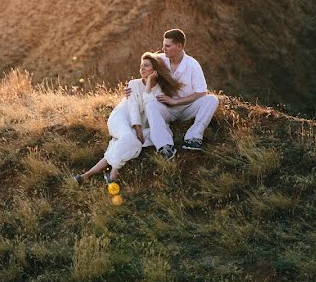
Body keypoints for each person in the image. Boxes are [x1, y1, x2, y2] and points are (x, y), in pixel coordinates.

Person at [75, 52, 183, 184]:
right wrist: (137, 129)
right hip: (122, 117)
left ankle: (87, 175)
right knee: (130, 138)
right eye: (141, 66)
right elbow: (132, 108)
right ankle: (114, 171)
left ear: (155, 70)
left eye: (146, 66)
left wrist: (149, 85)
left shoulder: (160, 90)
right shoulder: (133, 83)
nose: (142, 69)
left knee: (128, 143)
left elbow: (149, 105)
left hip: (141, 122)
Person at [127, 28, 219, 159]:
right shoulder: (160, 59)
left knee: (212, 100)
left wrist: (176, 101)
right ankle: (164, 146)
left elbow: (201, 92)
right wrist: (132, 86)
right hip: (166, 108)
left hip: (187, 107)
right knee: (151, 105)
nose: (163, 48)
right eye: (164, 45)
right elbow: (145, 69)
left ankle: (193, 137)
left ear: (179, 46)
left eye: (167, 46)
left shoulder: (193, 65)